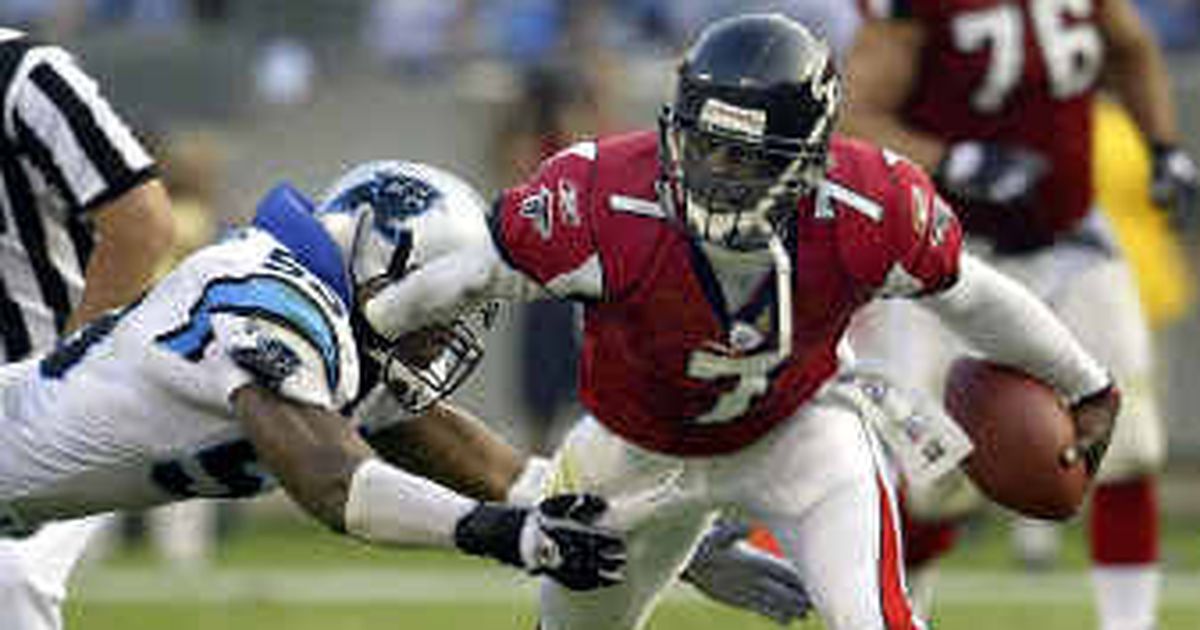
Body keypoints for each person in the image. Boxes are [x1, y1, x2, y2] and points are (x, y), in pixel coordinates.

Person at [354, 14, 1121, 630]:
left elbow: (973, 296)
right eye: (705, 148)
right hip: (633, 452)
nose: (717, 176)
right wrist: (367, 329)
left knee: (876, 619)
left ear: (812, 157)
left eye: (748, 158)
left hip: (798, 431)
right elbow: (477, 271)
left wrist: (1086, 382)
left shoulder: (868, 206)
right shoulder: (600, 197)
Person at [0, 161, 627, 596]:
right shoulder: (272, 295)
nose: (444, 337)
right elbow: (333, 482)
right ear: (384, 260)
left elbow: (482, 462)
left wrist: (635, 518)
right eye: (441, 310)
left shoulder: (344, 332)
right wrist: (507, 535)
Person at [842, 1, 1198, 627]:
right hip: (948, 254)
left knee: (1129, 444)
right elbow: (856, 115)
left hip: (1072, 238)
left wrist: (1164, 146)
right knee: (935, 475)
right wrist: (953, 160)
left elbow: (1131, 48)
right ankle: (896, 616)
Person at [0, 28, 176, 630]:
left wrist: (61, 382)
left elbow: (141, 225)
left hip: (46, 387)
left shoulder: (26, 76)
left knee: (9, 579)